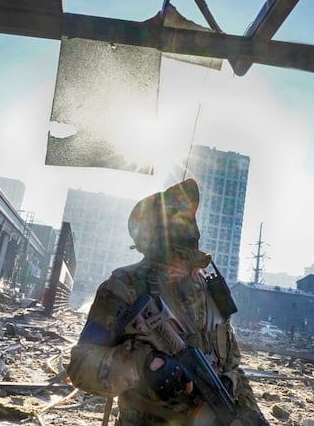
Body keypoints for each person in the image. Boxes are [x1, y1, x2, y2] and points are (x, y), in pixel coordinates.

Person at [67, 178, 268, 425]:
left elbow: (234, 367)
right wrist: (143, 364)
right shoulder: (125, 285)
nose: (187, 224)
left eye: (188, 216)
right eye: (176, 217)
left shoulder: (209, 290)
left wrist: (251, 413)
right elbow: (80, 367)